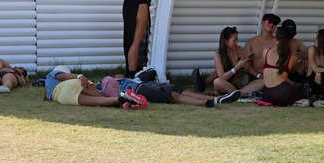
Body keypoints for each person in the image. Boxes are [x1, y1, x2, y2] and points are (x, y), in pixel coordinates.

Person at [99, 70, 240, 107]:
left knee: (183, 91)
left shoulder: (125, 78)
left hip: (145, 84)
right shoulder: (104, 85)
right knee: (172, 96)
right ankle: (207, 103)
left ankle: (218, 99)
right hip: (139, 90)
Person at [119, 0, 159, 77]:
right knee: (136, 41)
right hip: (140, 6)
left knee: (128, 39)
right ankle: (133, 72)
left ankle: (128, 70)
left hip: (127, 5)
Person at [44, 65, 147, 108]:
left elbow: (46, 97)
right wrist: (79, 76)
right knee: (100, 97)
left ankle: (121, 100)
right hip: (71, 84)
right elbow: (62, 76)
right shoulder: (53, 73)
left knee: (98, 102)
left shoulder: (48, 86)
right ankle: (125, 97)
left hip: (62, 97)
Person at [261, 22, 305, 106]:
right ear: (290, 40)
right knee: (300, 88)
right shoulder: (292, 57)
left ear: (275, 39)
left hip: (266, 94)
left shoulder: (266, 51)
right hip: (281, 94)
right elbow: (293, 72)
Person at [211, 26, 261, 97]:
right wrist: (236, 68)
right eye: (234, 40)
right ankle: (242, 94)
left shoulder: (238, 49)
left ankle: (238, 94)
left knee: (263, 81)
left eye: (237, 40)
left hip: (241, 84)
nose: (236, 42)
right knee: (217, 82)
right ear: (226, 41)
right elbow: (222, 77)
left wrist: (258, 75)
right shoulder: (218, 55)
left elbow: (247, 68)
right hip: (227, 85)